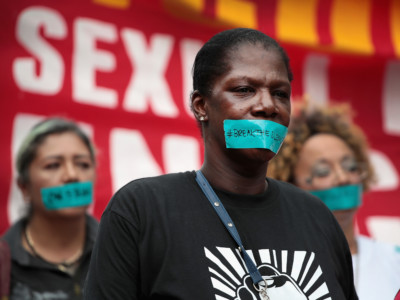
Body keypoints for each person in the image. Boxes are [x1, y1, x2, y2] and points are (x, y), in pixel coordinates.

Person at [83, 28, 357, 299]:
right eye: (244, 90)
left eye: (280, 93)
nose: (267, 105)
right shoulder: (142, 210)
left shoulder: (317, 218)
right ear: (201, 105)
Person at [267, 99, 400, 300]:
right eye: (323, 171)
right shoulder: (275, 269)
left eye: (351, 167)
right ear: (290, 184)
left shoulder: (394, 260)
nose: (343, 178)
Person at [1, 117, 98, 299]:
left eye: (83, 164)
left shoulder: (120, 249)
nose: (72, 175)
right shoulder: (4, 263)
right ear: (24, 186)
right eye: (53, 165)